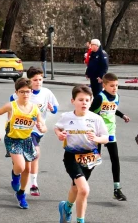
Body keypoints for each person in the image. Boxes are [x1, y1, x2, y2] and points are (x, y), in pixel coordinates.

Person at [55, 85, 109, 223]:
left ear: (91, 101)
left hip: (90, 157)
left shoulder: (96, 119)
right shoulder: (66, 117)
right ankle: (80, 220)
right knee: (83, 190)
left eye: (87, 100)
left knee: (76, 186)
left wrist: (96, 139)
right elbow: (58, 127)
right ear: (73, 101)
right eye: (80, 100)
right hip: (71, 156)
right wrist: (60, 134)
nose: (84, 103)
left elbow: (106, 138)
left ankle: (66, 207)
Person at [0, 78, 47, 209]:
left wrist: (41, 127)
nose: (25, 94)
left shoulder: (34, 109)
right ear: (16, 92)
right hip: (12, 139)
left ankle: (21, 194)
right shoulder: (12, 106)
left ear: (31, 92)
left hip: (26, 140)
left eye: (27, 92)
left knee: (27, 169)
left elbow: (44, 127)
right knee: (21, 167)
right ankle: (15, 176)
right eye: (22, 92)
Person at [9, 67, 59, 196]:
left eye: (40, 79)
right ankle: (33, 184)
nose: (38, 82)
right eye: (35, 80)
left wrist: (52, 108)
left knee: (30, 157)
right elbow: (12, 100)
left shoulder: (47, 93)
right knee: (35, 154)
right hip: (24, 130)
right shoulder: (26, 92)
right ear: (29, 81)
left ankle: (20, 171)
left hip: (38, 129)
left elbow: (55, 109)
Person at [89, 73, 130, 201]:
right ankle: (81, 182)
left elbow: (114, 109)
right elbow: (90, 112)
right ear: (104, 85)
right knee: (94, 160)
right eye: (112, 86)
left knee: (115, 159)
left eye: (116, 85)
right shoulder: (99, 98)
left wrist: (122, 115)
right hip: (98, 133)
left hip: (110, 133)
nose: (115, 88)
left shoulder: (117, 97)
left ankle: (117, 189)